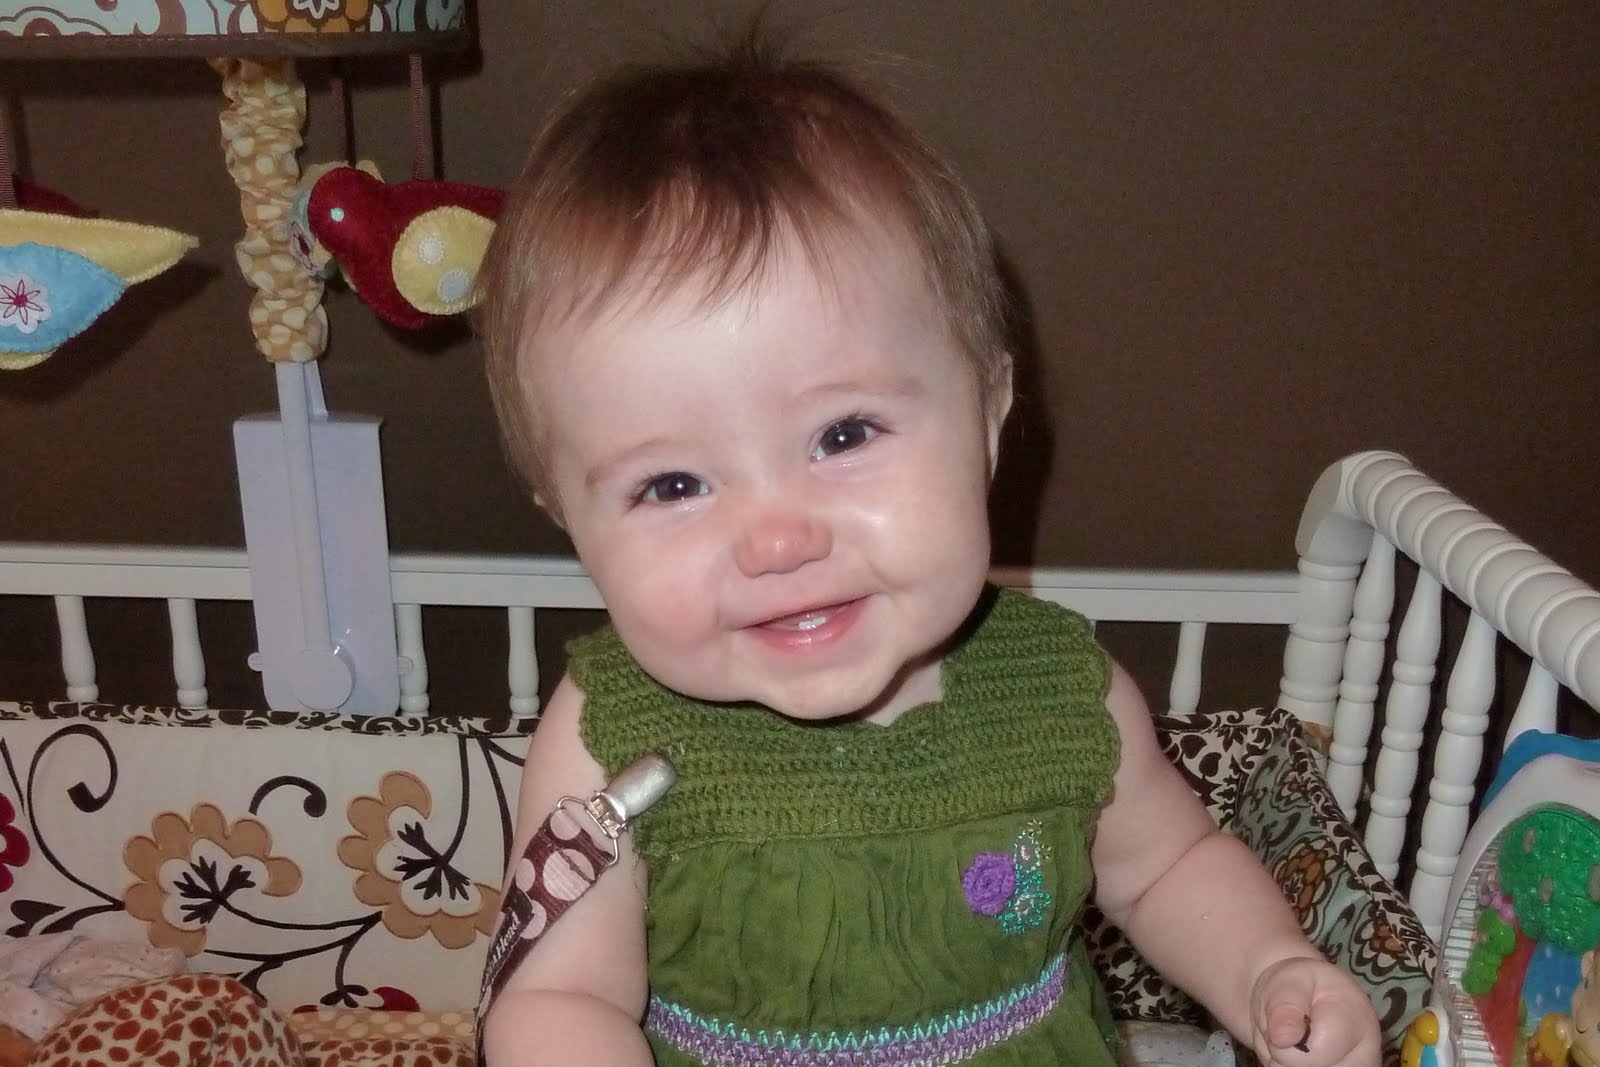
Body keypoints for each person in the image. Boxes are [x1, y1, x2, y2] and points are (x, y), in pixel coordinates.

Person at [471, 31, 1382, 1067]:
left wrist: (1267, 966)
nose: (777, 539)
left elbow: (1168, 867)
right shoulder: (608, 736)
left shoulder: (1062, 693)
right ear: (567, 517)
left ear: (988, 417)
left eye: (843, 435)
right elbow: (558, 993)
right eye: (672, 485)